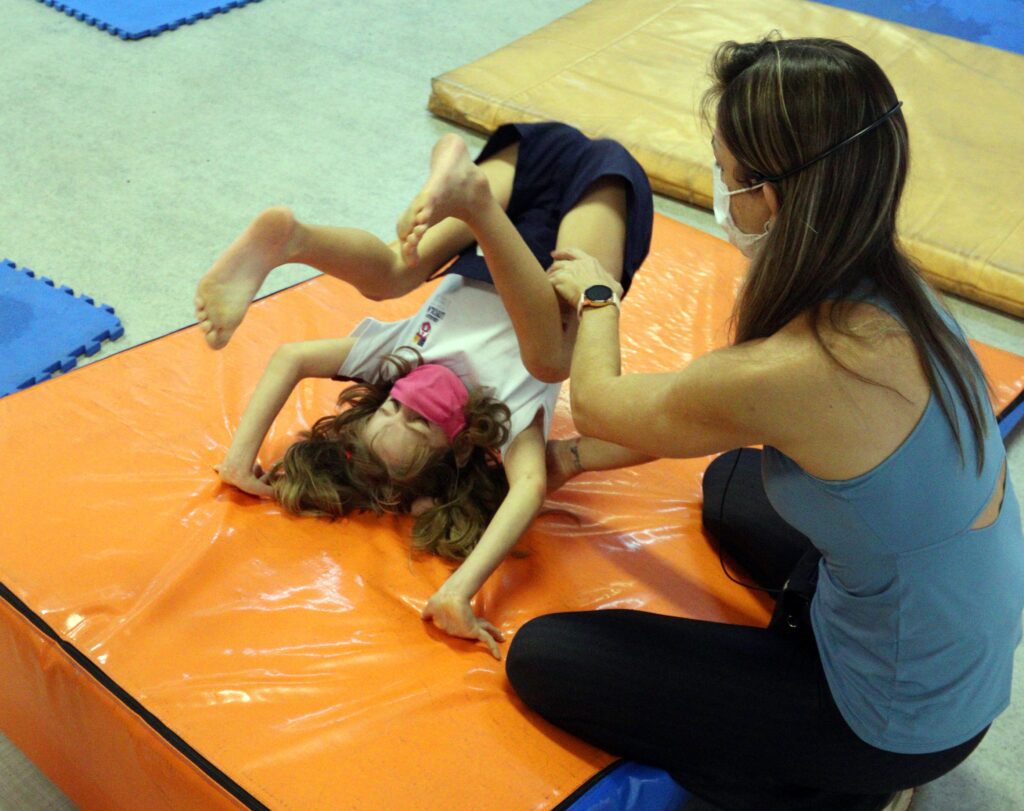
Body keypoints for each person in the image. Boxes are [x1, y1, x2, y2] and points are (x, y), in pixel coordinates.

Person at [506, 37, 1024, 811]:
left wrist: (599, 294)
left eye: (725, 173)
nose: (720, 190)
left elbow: (605, 399)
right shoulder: (894, 284)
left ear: (771, 199)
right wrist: (573, 459)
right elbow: (702, 419)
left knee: (545, 657)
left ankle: (843, 786)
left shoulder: (799, 368)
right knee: (731, 483)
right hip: (952, 627)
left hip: (900, 718)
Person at [194, 122, 654, 659]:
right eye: (418, 420)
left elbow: (290, 357)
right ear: (458, 447)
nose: (408, 402)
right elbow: (527, 490)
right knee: (548, 356)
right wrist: (459, 590)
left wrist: (240, 459)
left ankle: (296, 240)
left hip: (508, 193)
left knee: (393, 273)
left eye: (392, 406)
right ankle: (466, 196)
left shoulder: (397, 360)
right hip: (579, 218)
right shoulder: (504, 423)